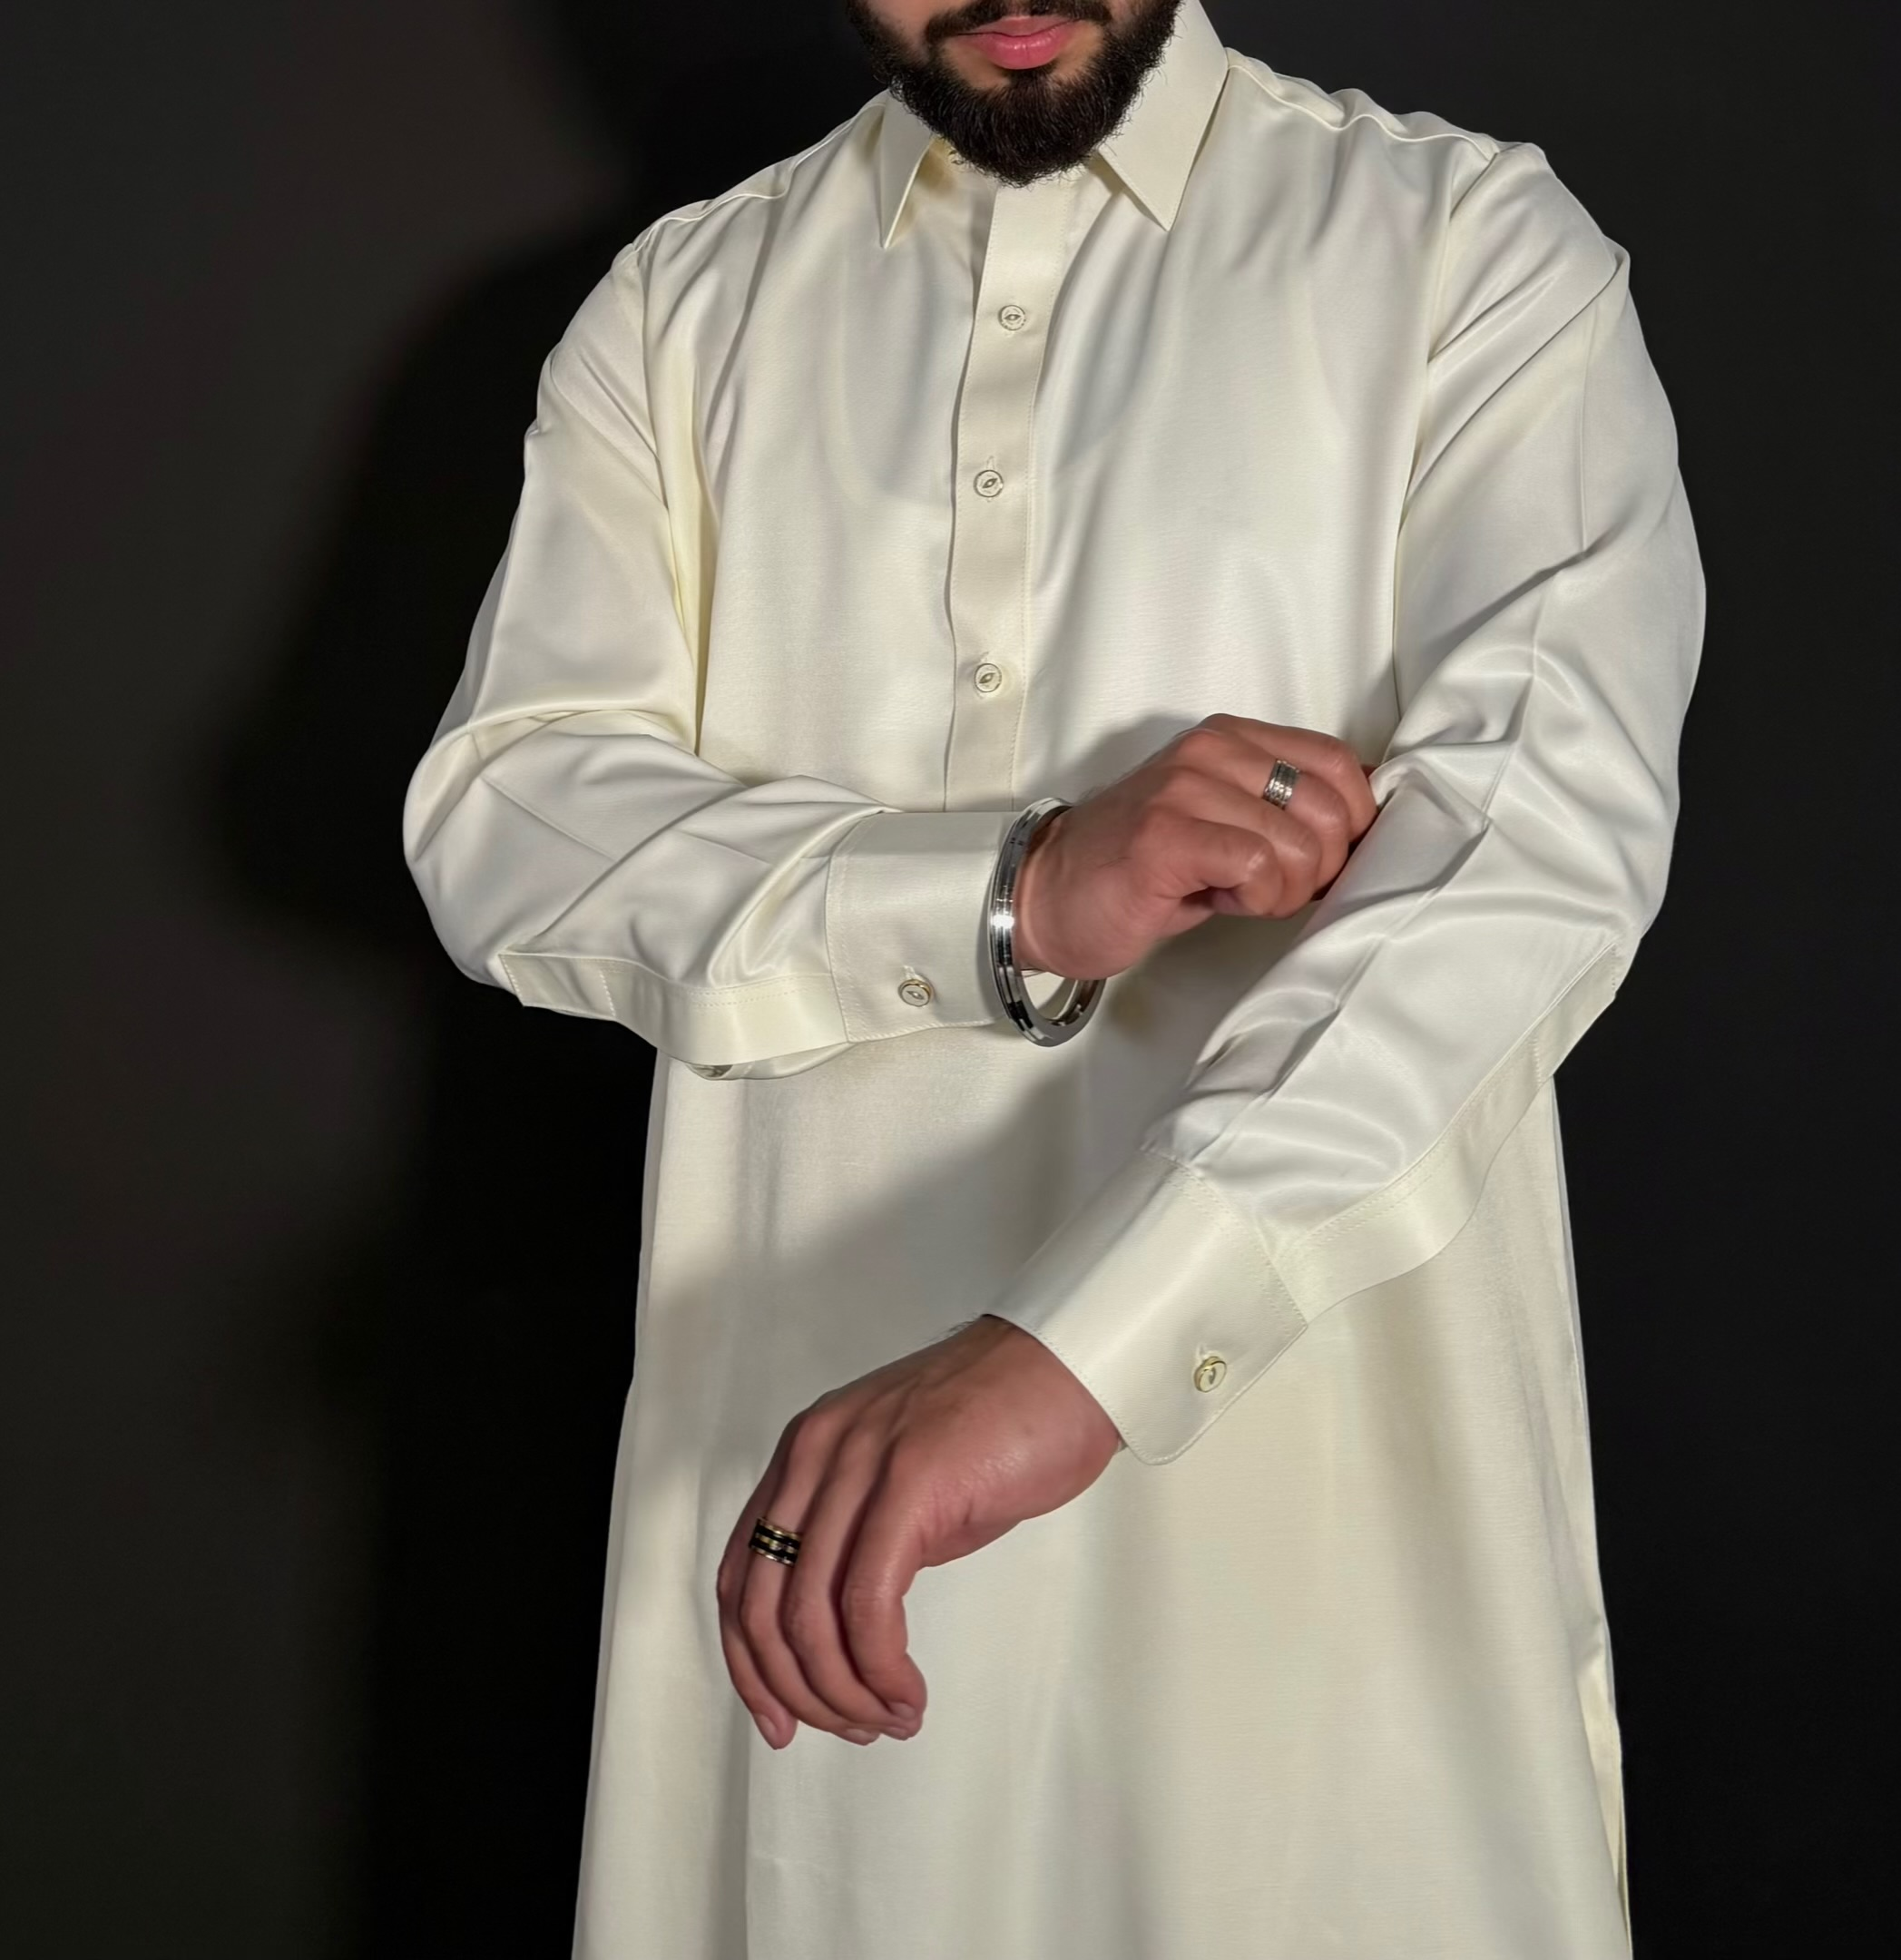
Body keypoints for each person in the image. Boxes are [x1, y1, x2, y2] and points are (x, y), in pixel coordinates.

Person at [402, 2, 1705, 1952]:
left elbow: (1523, 861)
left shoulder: (1467, 252)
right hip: (819, 1592)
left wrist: (1086, 1347)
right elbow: (506, 811)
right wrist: (1009, 897)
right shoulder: (682, 311)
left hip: (1325, 1589)